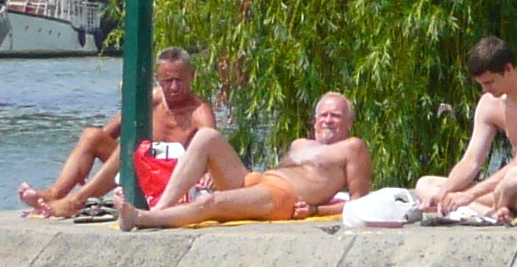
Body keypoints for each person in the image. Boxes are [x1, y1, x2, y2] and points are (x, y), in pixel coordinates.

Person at [120, 92, 374, 229]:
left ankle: (142, 219)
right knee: (207, 136)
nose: (328, 120)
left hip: (281, 197)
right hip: (256, 180)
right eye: (324, 115)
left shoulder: (352, 147)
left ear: (349, 123)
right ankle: (160, 208)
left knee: (212, 201)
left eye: (336, 116)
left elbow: (359, 202)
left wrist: (316, 210)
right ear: (315, 120)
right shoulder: (299, 144)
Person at [19, 48, 217, 218]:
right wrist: (84, 161)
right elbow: (110, 132)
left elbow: (211, 150)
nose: (173, 87)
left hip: (171, 177)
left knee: (135, 147)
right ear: (157, 78)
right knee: (92, 135)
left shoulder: (200, 112)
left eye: (179, 80)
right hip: (140, 167)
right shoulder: (153, 99)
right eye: (168, 80)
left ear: (192, 76)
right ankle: (54, 194)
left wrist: (208, 175)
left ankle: (77, 200)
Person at [416, 35, 517, 219]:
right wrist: (444, 193)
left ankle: (479, 208)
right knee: (426, 184)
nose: (485, 90)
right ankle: (495, 213)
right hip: (507, 191)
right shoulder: (489, 103)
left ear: (508, 69)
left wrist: (469, 194)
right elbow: (471, 161)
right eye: (481, 84)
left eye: (489, 82)